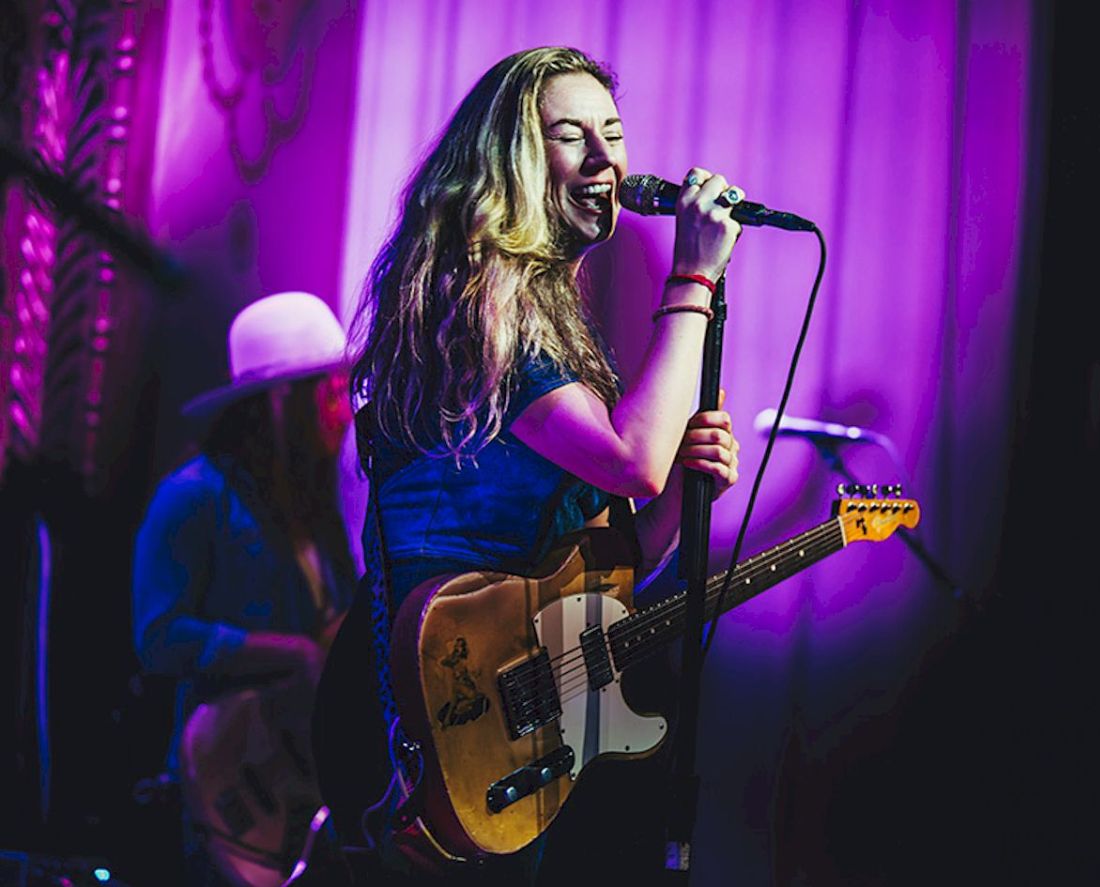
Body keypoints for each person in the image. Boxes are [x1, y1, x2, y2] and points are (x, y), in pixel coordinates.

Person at [312, 46, 743, 886]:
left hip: (502, 707)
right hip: (429, 695)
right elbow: (631, 460)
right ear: (511, 159)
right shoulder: (477, 296)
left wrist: (687, 497)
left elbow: (614, 562)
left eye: (613, 135)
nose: (604, 160)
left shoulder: (553, 323)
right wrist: (693, 275)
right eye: (570, 136)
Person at [132, 290, 357, 886]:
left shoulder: (316, 509)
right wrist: (292, 653)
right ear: (282, 402)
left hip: (296, 783)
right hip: (220, 783)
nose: (345, 410)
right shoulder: (192, 495)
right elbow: (158, 637)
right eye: (329, 391)